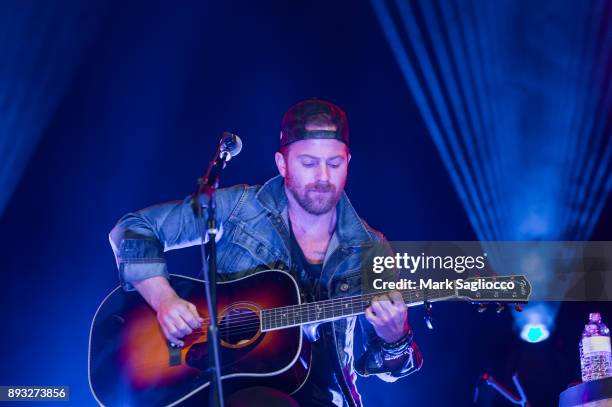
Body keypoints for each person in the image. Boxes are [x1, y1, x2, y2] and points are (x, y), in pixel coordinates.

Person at [109, 98, 422, 407]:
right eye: (309, 163)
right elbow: (132, 229)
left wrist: (396, 336)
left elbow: (383, 366)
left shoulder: (371, 248)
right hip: (226, 387)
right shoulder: (241, 208)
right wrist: (164, 300)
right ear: (282, 164)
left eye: (334, 163)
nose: (323, 177)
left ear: (348, 163)